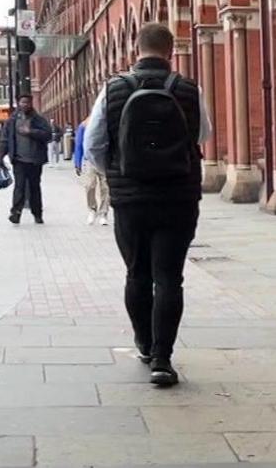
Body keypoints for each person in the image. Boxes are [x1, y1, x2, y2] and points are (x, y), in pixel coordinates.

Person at [85, 22, 211, 387]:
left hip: (131, 199)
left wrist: (117, 173)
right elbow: (203, 134)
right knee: (170, 277)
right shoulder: (188, 90)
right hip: (178, 197)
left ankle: (143, 343)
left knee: (137, 273)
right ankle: (162, 358)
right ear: (170, 52)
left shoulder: (112, 89)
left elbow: (94, 142)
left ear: (135, 51)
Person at [0, 94, 52, 225]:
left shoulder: (38, 119)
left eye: (27, 102)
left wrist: (31, 132)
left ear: (31, 103)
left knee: (34, 188)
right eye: (22, 102)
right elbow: (5, 139)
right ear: (18, 103)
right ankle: (15, 213)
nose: (25, 105)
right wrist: (0, 156)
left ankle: (37, 214)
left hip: (35, 160)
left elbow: (48, 135)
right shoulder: (12, 121)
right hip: (19, 160)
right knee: (19, 187)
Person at [73, 117, 110, 226]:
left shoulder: (105, 125)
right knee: (89, 185)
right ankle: (92, 209)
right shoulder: (84, 125)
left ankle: (104, 213)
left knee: (106, 187)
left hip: (104, 160)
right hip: (89, 160)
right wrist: (77, 163)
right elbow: (78, 145)